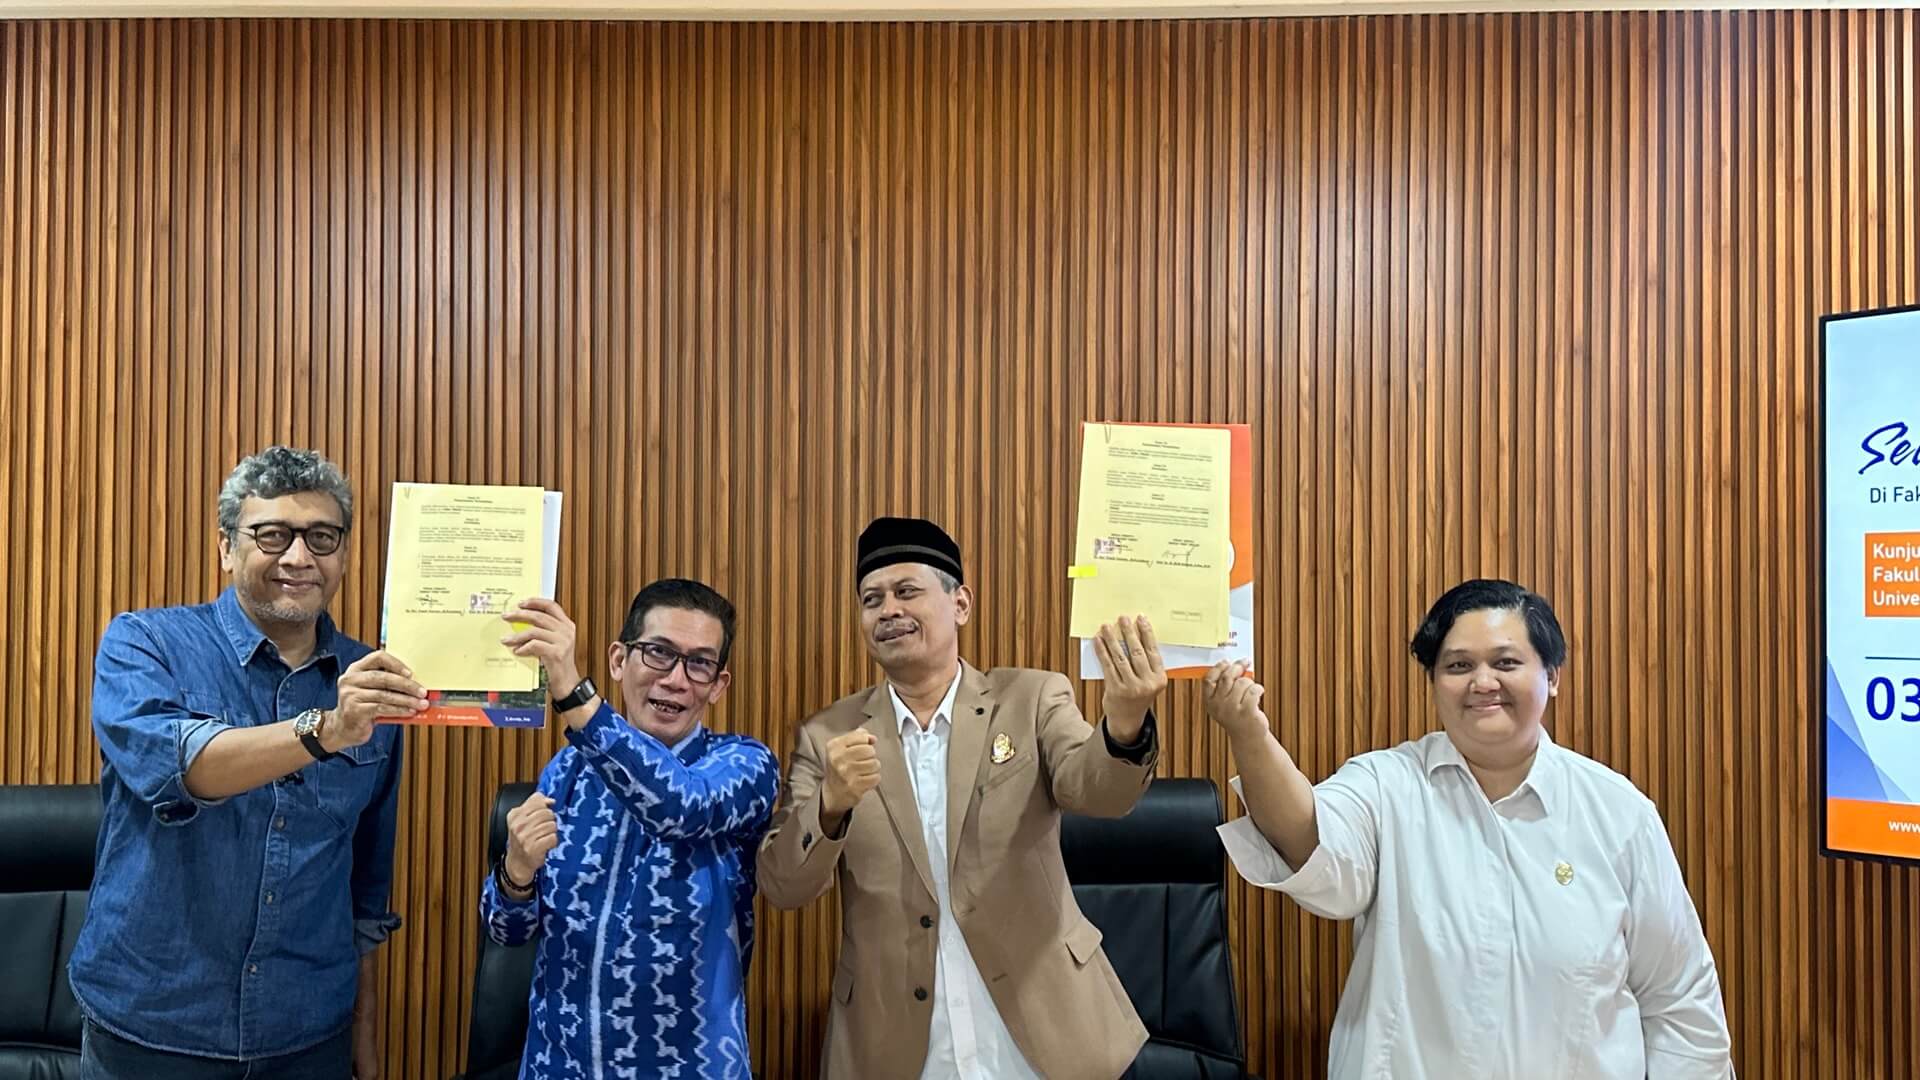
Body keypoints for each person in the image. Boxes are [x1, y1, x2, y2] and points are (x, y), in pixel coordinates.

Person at [1210, 578, 1734, 1078]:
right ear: (1434, 683)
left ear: (1552, 676)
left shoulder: (1618, 812)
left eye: (1506, 662)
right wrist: (1250, 737)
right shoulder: (1388, 783)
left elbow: (1679, 1002)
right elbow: (1309, 843)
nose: (1483, 683)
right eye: (1458, 666)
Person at [758, 516, 1168, 1079]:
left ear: (960, 604)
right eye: (872, 600)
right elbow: (783, 885)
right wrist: (830, 804)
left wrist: (1123, 724)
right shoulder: (827, 735)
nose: (888, 610)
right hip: (900, 1048)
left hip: (1042, 1035)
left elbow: (1098, 792)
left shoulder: (1030, 698)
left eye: (907, 592)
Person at [71, 445, 421, 1079]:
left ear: (343, 554)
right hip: (153, 1027)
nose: (299, 557)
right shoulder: (144, 642)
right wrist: (327, 729)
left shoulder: (371, 680)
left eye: (321, 537)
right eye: (272, 535)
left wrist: (364, 1029)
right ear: (227, 548)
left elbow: (366, 885)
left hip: (307, 1032)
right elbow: (186, 767)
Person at [482, 578, 780, 1079]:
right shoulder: (568, 772)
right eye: (659, 653)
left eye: (699, 663)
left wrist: (574, 694)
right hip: (558, 1064)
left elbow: (680, 806)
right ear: (619, 660)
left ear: (718, 685)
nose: (676, 679)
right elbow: (507, 932)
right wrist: (516, 874)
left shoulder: (743, 766)